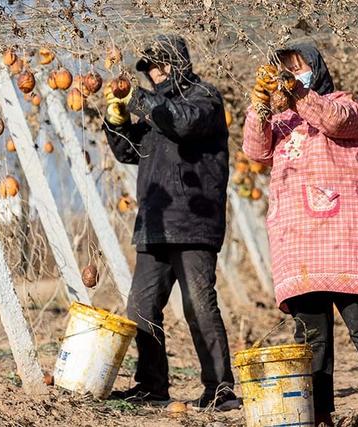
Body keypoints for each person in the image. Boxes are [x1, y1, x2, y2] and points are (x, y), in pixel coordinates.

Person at [243, 44, 358, 426]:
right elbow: (254, 150)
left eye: (298, 69)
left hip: (345, 236)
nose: (292, 76)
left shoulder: (347, 105)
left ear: (314, 70)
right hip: (298, 242)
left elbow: (332, 120)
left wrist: (298, 93)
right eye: (285, 71)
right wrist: (261, 107)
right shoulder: (282, 122)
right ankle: (317, 413)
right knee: (310, 338)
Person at [102, 34, 239, 411]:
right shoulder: (153, 110)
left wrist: (141, 101)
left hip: (194, 223)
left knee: (198, 304)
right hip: (155, 223)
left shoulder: (204, 98)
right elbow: (130, 151)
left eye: (160, 65)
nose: (154, 73)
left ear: (178, 63)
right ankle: (152, 386)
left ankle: (220, 387)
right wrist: (115, 122)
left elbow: (181, 123)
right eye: (148, 69)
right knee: (141, 308)